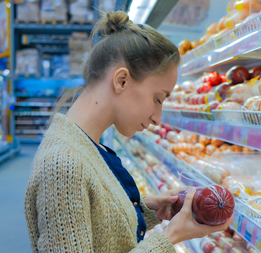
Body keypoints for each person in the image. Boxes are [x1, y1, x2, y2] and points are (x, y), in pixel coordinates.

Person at [24, 11, 233, 252]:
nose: (157, 118)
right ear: (122, 80)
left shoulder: (83, 145)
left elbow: (94, 229)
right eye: (158, 98)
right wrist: (169, 238)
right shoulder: (63, 166)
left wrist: (144, 210)